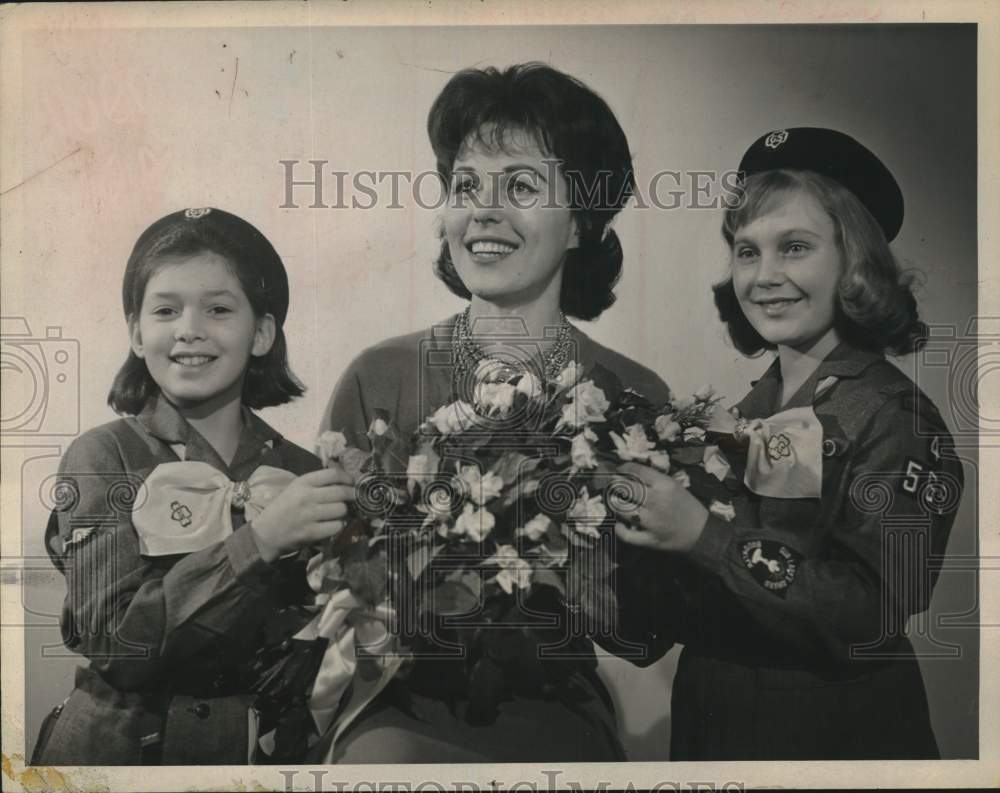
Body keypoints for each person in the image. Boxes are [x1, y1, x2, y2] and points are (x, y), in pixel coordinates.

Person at [317, 62, 671, 762]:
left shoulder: (634, 396)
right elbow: (330, 581)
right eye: (465, 185)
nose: (483, 210)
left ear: (581, 222)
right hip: (397, 700)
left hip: (558, 706)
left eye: (520, 186)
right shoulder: (378, 376)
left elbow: (644, 634)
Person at [611, 128, 964, 759]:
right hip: (709, 730)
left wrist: (701, 536)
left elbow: (873, 614)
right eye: (747, 252)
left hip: (835, 736)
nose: (764, 277)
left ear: (855, 262)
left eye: (794, 247)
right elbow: (648, 636)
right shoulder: (739, 416)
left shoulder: (897, 419)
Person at [32, 207, 355, 764]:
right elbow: (117, 645)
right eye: (166, 309)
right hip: (118, 754)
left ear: (261, 333)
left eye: (218, 309)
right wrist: (259, 542)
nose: (189, 329)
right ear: (137, 333)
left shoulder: (304, 472)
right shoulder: (101, 456)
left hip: (259, 757)